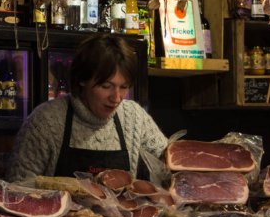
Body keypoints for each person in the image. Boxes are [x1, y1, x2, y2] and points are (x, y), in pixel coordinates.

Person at [8, 34, 167, 181]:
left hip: (119, 212)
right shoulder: (45, 121)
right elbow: (18, 187)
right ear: (83, 79)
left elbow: (167, 165)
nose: (117, 98)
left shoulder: (134, 117)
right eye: (106, 86)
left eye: (124, 87)